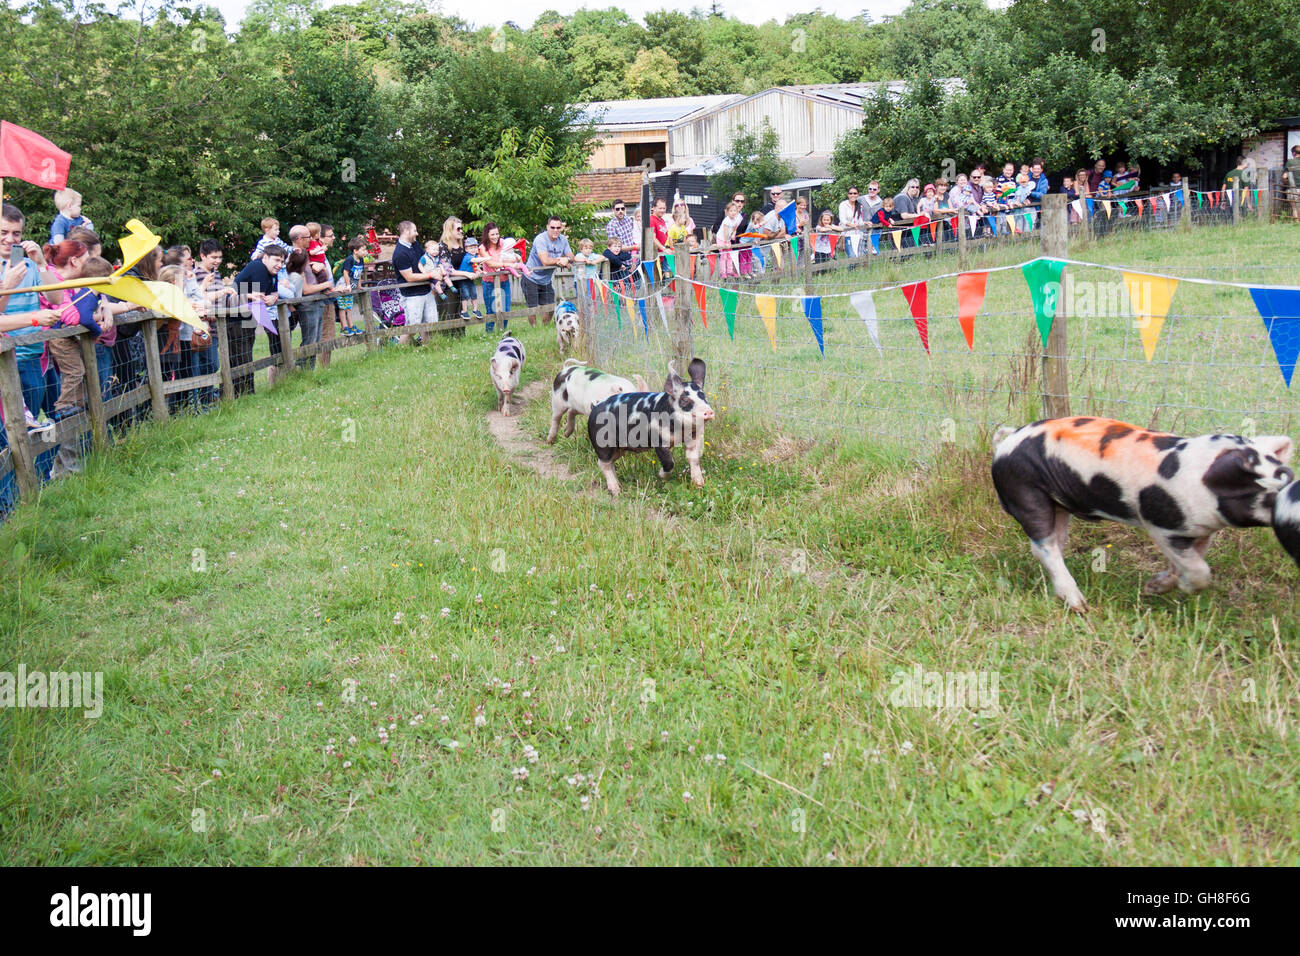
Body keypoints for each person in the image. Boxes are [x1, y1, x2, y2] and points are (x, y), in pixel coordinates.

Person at [1, 205, 64, 426]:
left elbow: (56, 299)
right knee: (7, 433)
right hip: (3, 357)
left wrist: (40, 263)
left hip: (30, 355)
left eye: (16, 233)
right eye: (4, 232)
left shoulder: (28, 265)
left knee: (30, 429)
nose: (10, 239)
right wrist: (7, 286)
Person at [230, 245, 284, 396]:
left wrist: (273, 297)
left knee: (246, 356)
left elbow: (273, 294)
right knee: (241, 358)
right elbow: (259, 298)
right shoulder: (259, 268)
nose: (279, 264)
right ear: (265, 257)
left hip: (248, 319)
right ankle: (242, 394)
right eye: (277, 260)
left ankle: (245, 393)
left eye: (282, 261)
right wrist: (268, 299)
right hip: (236, 320)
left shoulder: (272, 272)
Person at [522, 215, 572, 325]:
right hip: (531, 277)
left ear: (561, 228)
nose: (555, 230)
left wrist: (566, 259)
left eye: (558, 228)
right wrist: (560, 261)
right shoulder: (540, 239)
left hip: (546, 280)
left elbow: (571, 257)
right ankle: (534, 330)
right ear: (547, 227)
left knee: (550, 308)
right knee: (532, 309)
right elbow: (545, 261)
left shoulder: (563, 240)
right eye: (552, 227)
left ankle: (544, 327)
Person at [391, 220, 433, 344]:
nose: (417, 233)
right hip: (411, 295)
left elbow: (425, 260)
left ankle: (428, 347)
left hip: (425, 290)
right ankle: (400, 350)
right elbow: (409, 277)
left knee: (429, 324)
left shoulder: (414, 244)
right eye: (414, 231)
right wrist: (430, 275)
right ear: (406, 231)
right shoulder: (400, 253)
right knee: (412, 327)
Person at [477, 223, 516, 333]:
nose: (495, 237)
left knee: (506, 309)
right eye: (492, 234)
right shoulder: (483, 248)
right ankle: (489, 334)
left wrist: (512, 262)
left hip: (504, 281)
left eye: (497, 234)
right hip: (489, 282)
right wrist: (506, 264)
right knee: (491, 311)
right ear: (487, 235)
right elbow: (490, 263)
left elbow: (512, 255)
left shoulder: (503, 243)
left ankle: (502, 332)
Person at [334, 237, 367, 335]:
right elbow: (345, 272)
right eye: (363, 250)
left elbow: (359, 273)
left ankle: (351, 326)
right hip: (344, 285)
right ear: (355, 251)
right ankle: (344, 327)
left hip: (352, 285)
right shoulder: (350, 259)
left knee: (348, 307)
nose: (365, 252)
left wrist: (359, 285)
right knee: (342, 307)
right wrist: (348, 285)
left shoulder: (361, 260)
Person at [838, 186, 866, 257]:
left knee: (860, 256)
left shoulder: (860, 206)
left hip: (858, 234)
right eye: (850, 193)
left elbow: (860, 221)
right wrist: (851, 225)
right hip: (847, 234)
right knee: (852, 256)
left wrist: (865, 223)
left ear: (858, 195)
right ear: (848, 195)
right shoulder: (843, 205)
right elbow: (842, 219)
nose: (852, 195)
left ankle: (856, 268)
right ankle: (851, 268)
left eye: (855, 193)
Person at [1285, 145, 1300, 222]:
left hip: (1293, 189)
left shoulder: (1290, 162)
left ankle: (1297, 223)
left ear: (1294, 153)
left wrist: (1284, 181)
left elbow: (1285, 176)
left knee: (1294, 208)